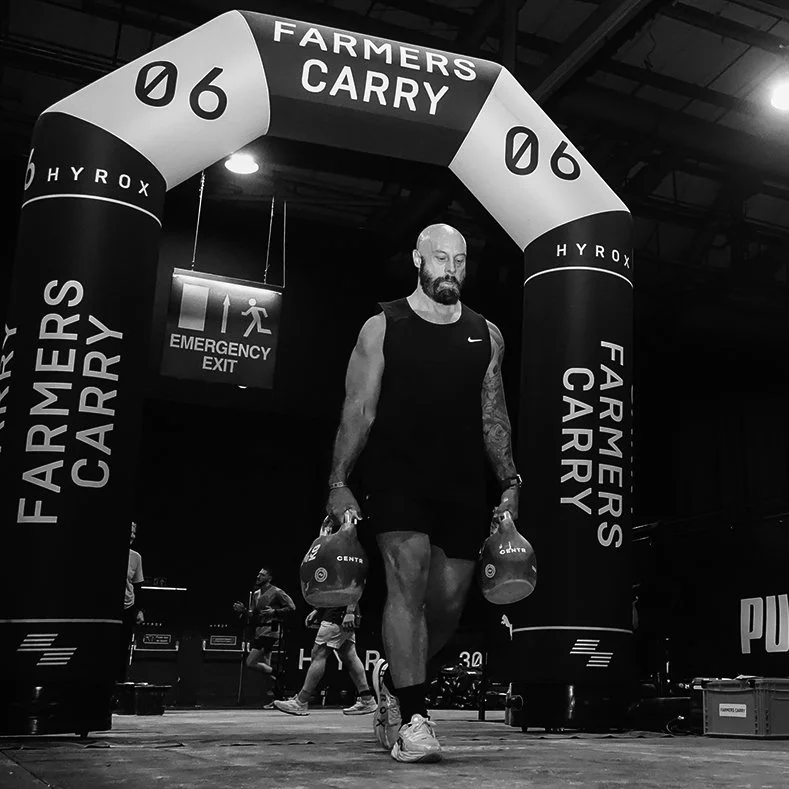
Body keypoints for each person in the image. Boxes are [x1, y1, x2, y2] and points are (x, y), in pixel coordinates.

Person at [325, 223, 520, 763]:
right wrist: (340, 481)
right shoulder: (382, 326)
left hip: (461, 482)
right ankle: (415, 718)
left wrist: (509, 482)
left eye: (459, 261)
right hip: (396, 476)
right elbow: (358, 409)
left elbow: (493, 415)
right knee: (406, 584)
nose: (450, 270)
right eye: (439, 259)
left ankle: (394, 676)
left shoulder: (487, 333)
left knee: (451, 603)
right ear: (417, 259)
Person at [274, 603, 377, 716]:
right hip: (336, 611)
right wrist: (318, 610)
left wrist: (349, 612)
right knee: (348, 655)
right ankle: (367, 700)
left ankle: (301, 702)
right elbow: (333, 592)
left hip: (339, 614)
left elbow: (355, 588)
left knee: (318, 653)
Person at [233, 567, 296, 679]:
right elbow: (254, 615)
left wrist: (275, 612)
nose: (258, 576)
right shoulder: (256, 594)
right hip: (259, 632)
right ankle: (278, 685)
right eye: (258, 574)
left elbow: (292, 607)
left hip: (270, 631)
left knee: (250, 662)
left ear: (269, 578)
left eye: (262, 575)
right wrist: (243, 610)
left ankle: (280, 675)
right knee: (267, 666)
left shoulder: (277, 592)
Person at [118, 521, 144, 682]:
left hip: (127, 608)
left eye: (134, 532)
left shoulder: (136, 557)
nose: (132, 536)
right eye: (130, 531)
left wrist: (139, 610)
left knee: (122, 651)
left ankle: (119, 686)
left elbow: (137, 586)